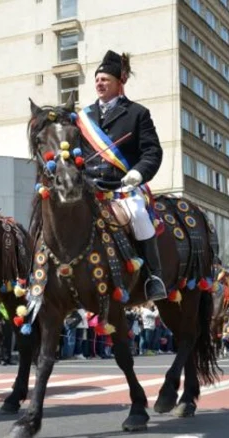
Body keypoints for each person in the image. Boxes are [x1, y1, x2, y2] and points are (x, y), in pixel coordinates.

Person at [80, 50, 165, 301]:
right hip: (89, 187)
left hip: (122, 187)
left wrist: (138, 172)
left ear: (120, 82)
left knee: (139, 213)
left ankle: (153, 276)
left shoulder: (138, 113)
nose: (99, 83)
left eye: (105, 79)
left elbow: (152, 151)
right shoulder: (84, 117)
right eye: (97, 79)